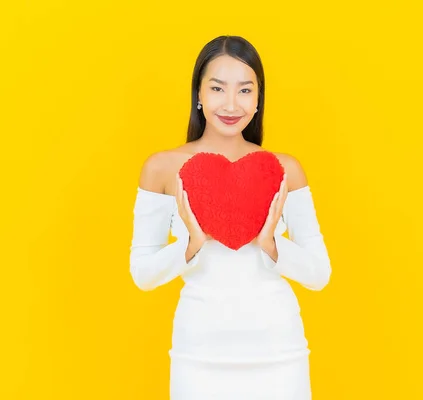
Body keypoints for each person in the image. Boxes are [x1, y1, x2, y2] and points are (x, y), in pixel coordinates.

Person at [129, 35, 332, 400]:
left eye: (244, 90)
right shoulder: (160, 168)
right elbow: (142, 274)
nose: (230, 103)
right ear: (199, 95)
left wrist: (271, 243)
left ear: (258, 100)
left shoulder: (284, 170)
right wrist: (191, 244)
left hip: (278, 349)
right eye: (218, 88)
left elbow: (319, 274)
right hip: (199, 351)